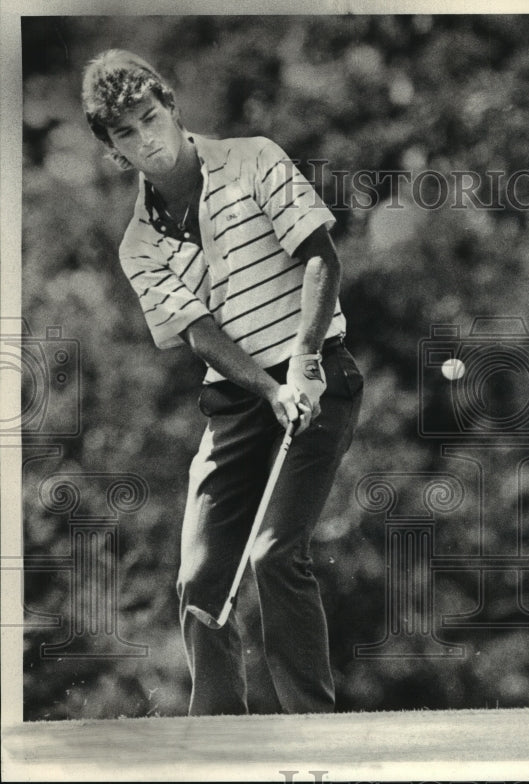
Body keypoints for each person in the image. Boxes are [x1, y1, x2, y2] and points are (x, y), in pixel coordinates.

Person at [81, 50, 363, 716]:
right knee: (201, 584)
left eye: (151, 119)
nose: (147, 140)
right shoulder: (139, 246)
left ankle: (314, 731)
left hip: (320, 377)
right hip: (238, 404)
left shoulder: (255, 158)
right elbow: (201, 333)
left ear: (172, 107)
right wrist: (268, 391)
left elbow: (321, 257)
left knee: (272, 555)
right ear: (113, 150)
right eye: (126, 133)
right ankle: (218, 744)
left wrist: (303, 365)